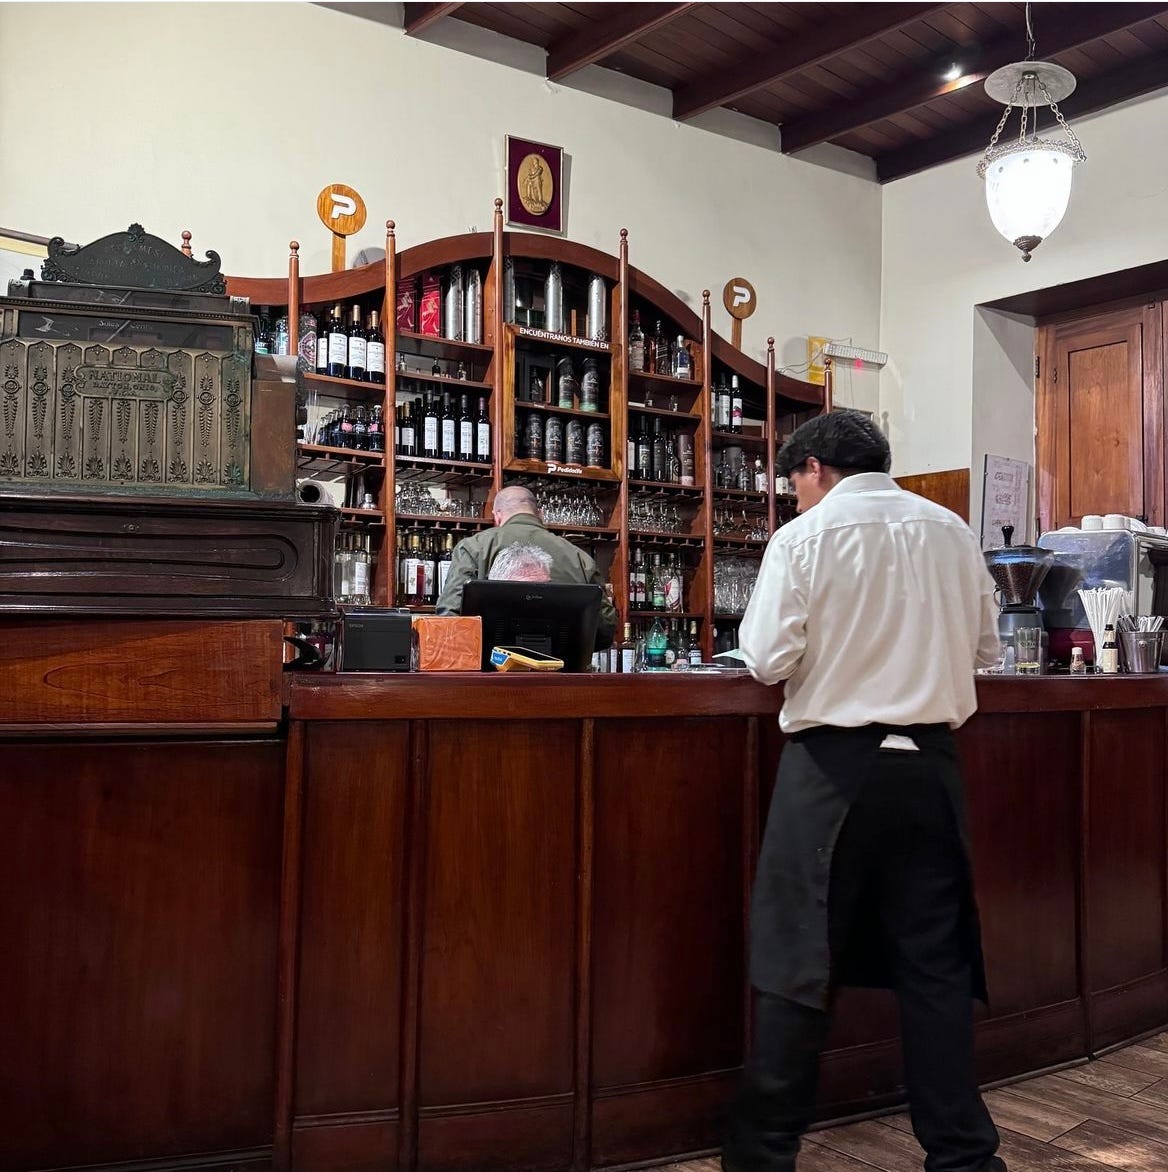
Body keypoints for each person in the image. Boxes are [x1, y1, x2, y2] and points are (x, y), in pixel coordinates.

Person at [722, 411, 1004, 1172]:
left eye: (792, 484)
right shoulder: (950, 529)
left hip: (832, 771)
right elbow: (986, 649)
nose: (792, 499)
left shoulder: (804, 538)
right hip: (930, 771)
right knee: (935, 970)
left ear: (813, 467)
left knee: (797, 961)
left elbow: (767, 658)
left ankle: (762, 1158)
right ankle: (965, 1159)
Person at [435, 484, 616, 648]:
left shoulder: (474, 547)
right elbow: (605, 628)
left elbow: (449, 617)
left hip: (492, 674)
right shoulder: (580, 557)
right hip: (564, 676)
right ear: (541, 515)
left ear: (497, 516)